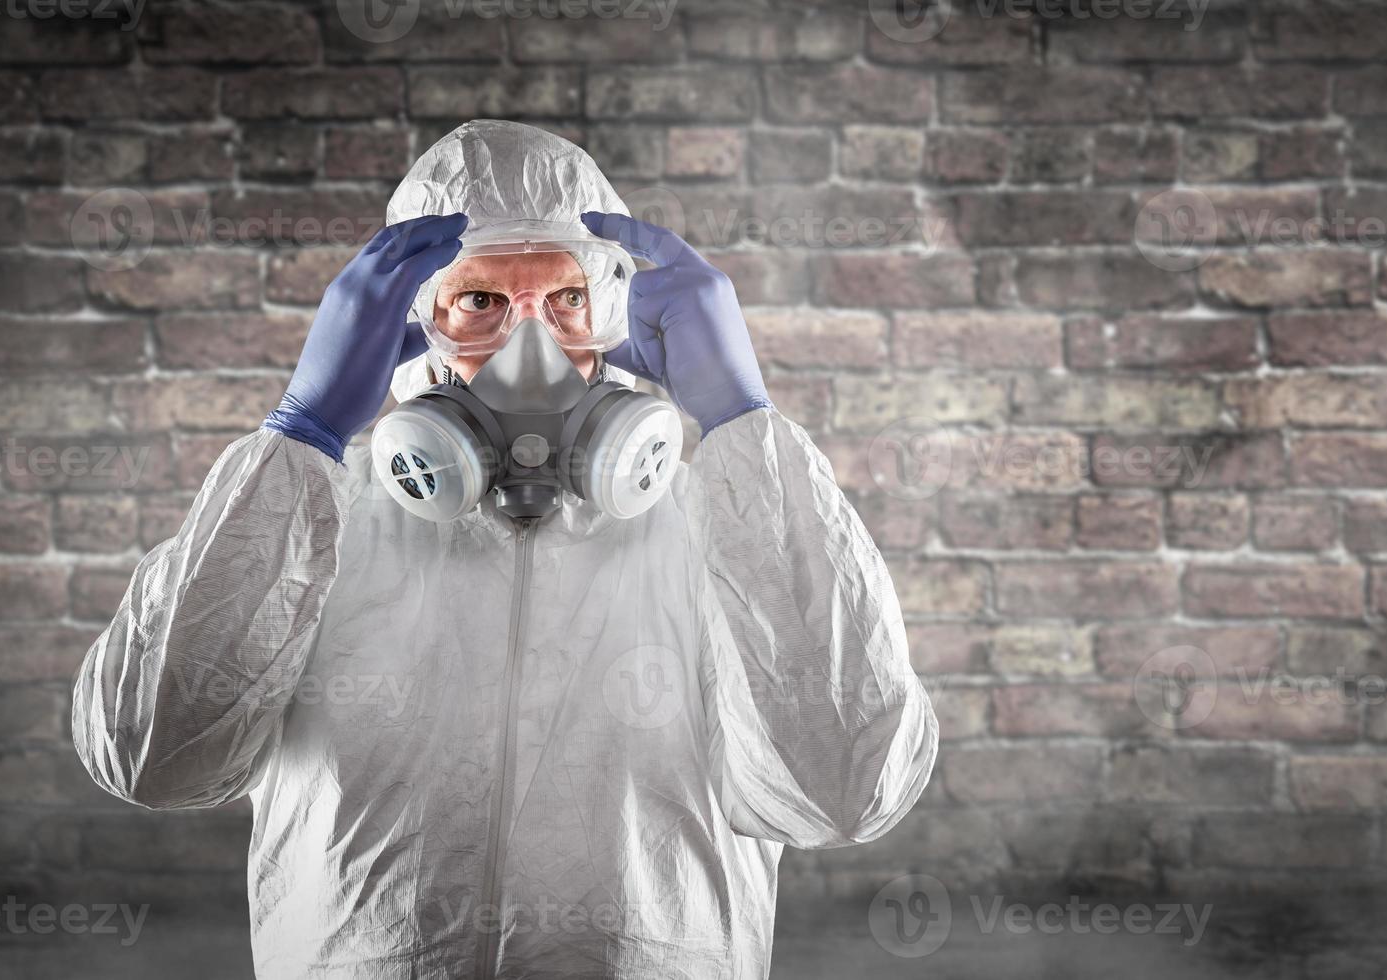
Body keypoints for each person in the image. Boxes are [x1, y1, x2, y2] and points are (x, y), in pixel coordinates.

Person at [72, 120, 937, 979]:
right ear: (412, 324)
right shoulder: (314, 526)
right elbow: (152, 758)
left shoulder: (728, 529)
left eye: (567, 301)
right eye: (481, 301)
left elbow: (841, 795)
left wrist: (744, 427)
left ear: (612, 311)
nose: (534, 347)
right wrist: (302, 436)